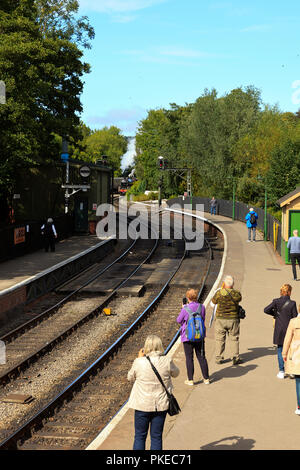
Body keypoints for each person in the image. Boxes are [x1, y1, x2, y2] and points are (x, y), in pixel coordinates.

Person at [127, 335, 179, 450]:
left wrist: (139, 358)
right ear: (160, 346)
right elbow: (176, 373)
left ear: (146, 347)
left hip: (142, 405)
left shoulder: (139, 362)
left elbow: (130, 377)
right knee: (156, 437)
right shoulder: (167, 360)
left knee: (140, 436)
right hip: (160, 405)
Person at [177, 288, 210, 385]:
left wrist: (183, 308)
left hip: (187, 336)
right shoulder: (202, 307)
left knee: (189, 358)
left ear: (188, 298)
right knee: (201, 357)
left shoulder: (185, 309)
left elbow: (179, 320)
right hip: (199, 335)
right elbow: (202, 318)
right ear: (196, 297)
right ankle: (206, 378)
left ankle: (190, 380)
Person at [264, 284, 297, 379]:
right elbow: (294, 317)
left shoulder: (276, 301)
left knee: (280, 350)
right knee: (290, 350)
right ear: (289, 292)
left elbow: (266, 310)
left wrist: (275, 313)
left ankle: (281, 371)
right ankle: (291, 371)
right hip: (289, 330)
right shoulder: (292, 303)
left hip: (279, 330)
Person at [211, 275, 242, 365]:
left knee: (220, 339)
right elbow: (239, 299)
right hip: (233, 319)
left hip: (220, 319)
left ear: (224, 283)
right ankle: (235, 357)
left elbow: (213, 302)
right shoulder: (237, 293)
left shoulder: (219, 293)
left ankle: (218, 358)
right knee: (234, 338)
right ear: (233, 284)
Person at [282, 306, 300, 415]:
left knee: (298, 381)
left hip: (297, 354)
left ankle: (299, 406)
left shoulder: (294, 322)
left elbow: (287, 338)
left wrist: (284, 353)